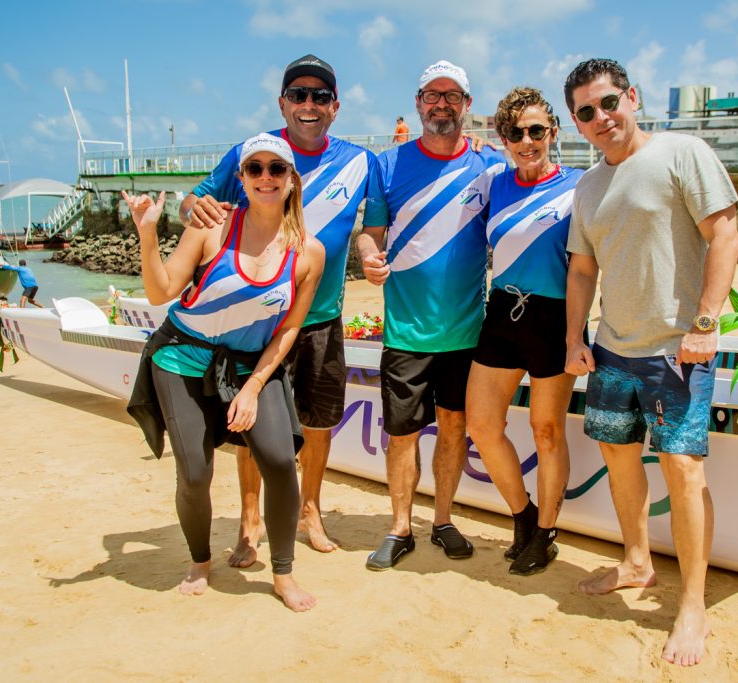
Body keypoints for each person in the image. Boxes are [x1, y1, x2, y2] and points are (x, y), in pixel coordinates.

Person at [563, 58, 738, 666]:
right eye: (586, 111)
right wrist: (574, 338)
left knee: (682, 471)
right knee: (617, 458)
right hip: (613, 347)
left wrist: (707, 322)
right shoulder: (587, 188)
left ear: (632, 97)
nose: (601, 118)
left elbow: (725, 233)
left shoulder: (682, 153)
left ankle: (693, 603)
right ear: (577, 123)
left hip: (677, 350)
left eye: (608, 102)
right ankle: (636, 561)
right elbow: (583, 269)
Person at [179, 55, 389, 559]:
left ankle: (310, 510)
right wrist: (194, 209)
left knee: (318, 425)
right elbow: (193, 201)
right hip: (257, 323)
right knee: (247, 424)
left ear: (335, 107)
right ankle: (249, 520)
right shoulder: (253, 154)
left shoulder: (363, 162)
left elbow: (370, 229)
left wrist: (370, 256)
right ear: (283, 103)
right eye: (298, 94)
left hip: (320, 319)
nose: (309, 104)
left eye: (320, 96)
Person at [125, 133, 325, 611]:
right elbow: (161, 293)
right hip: (181, 354)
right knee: (194, 473)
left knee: (279, 461)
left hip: (251, 365)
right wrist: (147, 233)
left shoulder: (309, 252)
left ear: (292, 181)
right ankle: (199, 562)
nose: (265, 177)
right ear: (241, 179)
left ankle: (282, 574)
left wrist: (255, 386)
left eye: (276, 169)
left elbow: (288, 331)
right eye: (254, 169)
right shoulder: (213, 227)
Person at [357, 60, 507, 570]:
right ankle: (400, 527)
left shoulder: (488, 168)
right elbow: (371, 231)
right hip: (405, 332)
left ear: (467, 105)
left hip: (467, 332)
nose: (441, 104)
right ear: (418, 103)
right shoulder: (388, 165)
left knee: (453, 428)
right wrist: (367, 257)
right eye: (432, 95)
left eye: (452, 96)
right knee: (400, 437)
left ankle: (442, 520)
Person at [464, 87, 583, 576]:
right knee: (483, 426)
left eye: (537, 130)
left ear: (554, 132)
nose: (527, 140)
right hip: (501, 314)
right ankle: (523, 516)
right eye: (516, 132)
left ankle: (548, 532)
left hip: (555, 320)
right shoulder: (494, 182)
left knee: (547, 431)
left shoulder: (582, 185)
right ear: (504, 137)